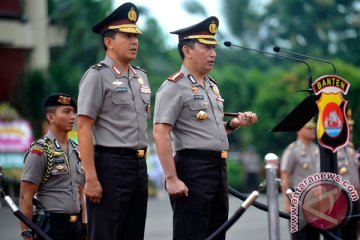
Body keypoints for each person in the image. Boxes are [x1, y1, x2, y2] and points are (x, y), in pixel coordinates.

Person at [152, 16, 257, 240]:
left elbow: (209, 131)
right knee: (191, 233)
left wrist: (234, 124)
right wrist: (171, 178)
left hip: (218, 167)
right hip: (192, 168)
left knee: (217, 232)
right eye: (206, 47)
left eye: (214, 48)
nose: (213, 53)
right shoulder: (174, 86)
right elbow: (160, 133)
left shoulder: (211, 86)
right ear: (187, 51)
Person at [77, 2, 150, 240]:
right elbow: (84, 127)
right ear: (108, 42)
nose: (134, 42)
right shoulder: (97, 75)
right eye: (127, 36)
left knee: (134, 233)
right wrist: (91, 178)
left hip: (139, 166)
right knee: (107, 234)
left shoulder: (141, 77)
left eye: (135, 36)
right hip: (110, 166)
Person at [19, 93, 84, 240]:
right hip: (51, 226)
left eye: (74, 112)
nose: (73, 116)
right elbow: (25, 197)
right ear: (51, 117)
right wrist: (27, 233)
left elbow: (81, 193)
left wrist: (85, 227)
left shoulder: (76, 150)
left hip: (76, 226)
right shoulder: (40, 152)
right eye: (66, 112)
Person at [280, 119, 320, 240]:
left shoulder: (317, 149)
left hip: (316, 199)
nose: (312, 131)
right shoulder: (292, 150)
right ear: (299, 130)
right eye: (309, 128)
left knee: (314, 235)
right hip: (298, 198)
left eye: (313, 128)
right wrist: (287, 202)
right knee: (300, 235)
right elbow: (285, 175)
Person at [337, 109, 360, 240]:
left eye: (351, 129)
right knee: (342, 233)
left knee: (353, 233)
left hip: (356, 198)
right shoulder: (333, 151)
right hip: (341, 198)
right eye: (348, 129)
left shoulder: (351, 150)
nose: (350, 132)